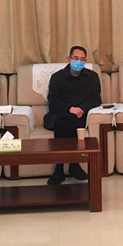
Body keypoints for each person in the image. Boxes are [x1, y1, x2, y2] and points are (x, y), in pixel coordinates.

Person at [43, 46, 101, 184]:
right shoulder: (57, 77)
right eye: (76, 58)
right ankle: (74, 164)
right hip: (59, 115)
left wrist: (81, 109)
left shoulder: (92, 77)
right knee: (66, 120)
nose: (78, 62)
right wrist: (69, 109)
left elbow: (96, 99)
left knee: (69, 121)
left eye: (82, 59)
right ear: (69, 59)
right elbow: (53, 102)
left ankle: (59, 169)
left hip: (80, 116)